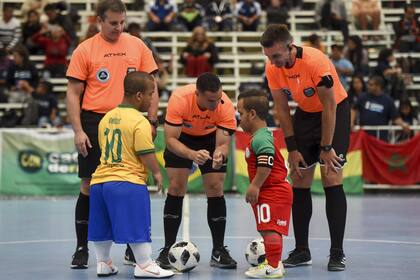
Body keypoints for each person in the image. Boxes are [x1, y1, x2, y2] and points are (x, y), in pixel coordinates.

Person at [65, 0, 158, 269]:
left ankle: (132, 249)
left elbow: (151, 86)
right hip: (95, 122)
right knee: (89, 185)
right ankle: (82, 248)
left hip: (131, 119)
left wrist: (152, 119)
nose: (119, 28)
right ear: (99, 21)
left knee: (129, 183)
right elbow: (73, 93)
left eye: (122, 22)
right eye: (113, 23)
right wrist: (78, 130)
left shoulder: (137, 46)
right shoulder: (86, 49)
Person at [261, 24, 350, 271]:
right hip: (306, 114)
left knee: (331, 177)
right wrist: (292, 148)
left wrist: (327, 146)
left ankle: (337, 253)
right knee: (299, 177)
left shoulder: (315, 61)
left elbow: (330, 106)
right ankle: (302, 250)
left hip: (334, 112)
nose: (272, 61)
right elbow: (281, 108)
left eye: (276, 56)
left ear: (290, 47)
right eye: (268, 56)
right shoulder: (273, 68)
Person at [88, 71, 174, 278]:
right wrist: (157, 173)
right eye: (151, 94)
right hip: (127, 181)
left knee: (102, 225)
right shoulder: (139, 121)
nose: (153, 98)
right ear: (138, 95)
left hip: (99, 182)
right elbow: (145, 152)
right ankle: (144, 265)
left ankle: (103, 263)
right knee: (138, 223)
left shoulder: (106, 118)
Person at [156, 72, 237, 269]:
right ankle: (168, 248)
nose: (215, 104)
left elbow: (224, 143)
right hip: (182, 138)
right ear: (197, 94)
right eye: (211, 100)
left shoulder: (224, 104)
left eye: (218, 99)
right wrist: (192, 154)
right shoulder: (180, 99)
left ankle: (218, 250)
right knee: (176, 187)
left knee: (215, 186)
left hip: (211, 138)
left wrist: (219, 153)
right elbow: (170, 140)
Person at [237, 89, 292, 278]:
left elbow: (267, 160)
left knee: (270, 229)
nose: (239, 118)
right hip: (271, 190)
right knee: (266, 227)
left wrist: (255, 185)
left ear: (252, 114)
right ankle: (273, 263)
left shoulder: (261, 137)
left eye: (241, 113)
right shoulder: (260, 136)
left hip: (273, 190)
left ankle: (274, 267)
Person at [351, 75, 410, 142]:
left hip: (381, 138)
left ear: (378, 86)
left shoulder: (388, 100)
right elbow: (354, 109)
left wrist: (403, 124)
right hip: (364, 136)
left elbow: (395, 117)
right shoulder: (363, 97)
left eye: (371, 85)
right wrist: (351, 122)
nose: (368, 86)